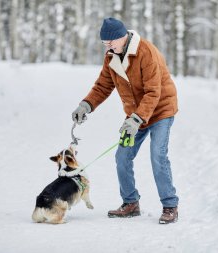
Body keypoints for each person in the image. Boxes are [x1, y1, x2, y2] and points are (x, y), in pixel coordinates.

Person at [72, 17, 179, 224]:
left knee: (158, 156)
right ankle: (130, 203)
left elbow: (153, 91)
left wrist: (136, 118)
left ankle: (170, 205)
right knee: (122, 156)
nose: (108, 46)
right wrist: (86, 105)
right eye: (105, 43)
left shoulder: (145, 52)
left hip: (160, 110)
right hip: (136, 115)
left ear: (123, 36)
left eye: (111, 42)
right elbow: (103, 85)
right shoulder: (112, 57)